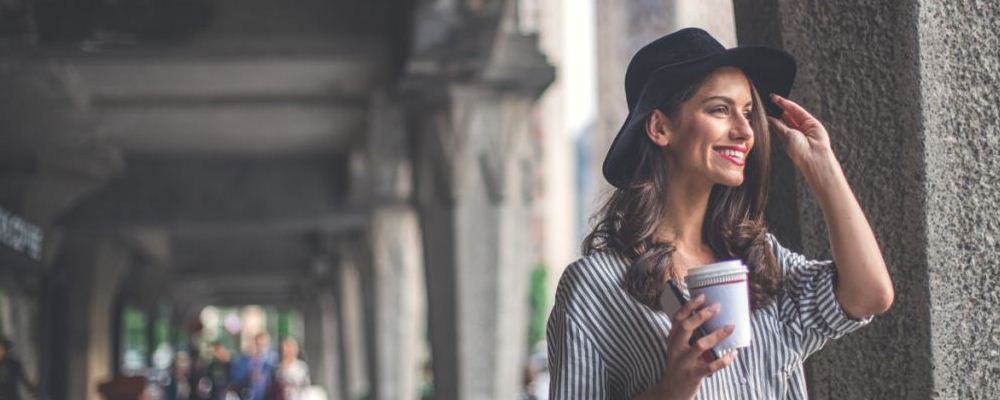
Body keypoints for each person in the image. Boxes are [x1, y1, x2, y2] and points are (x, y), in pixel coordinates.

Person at [546, 28, 894, 399]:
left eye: (747, 112)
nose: (745, 130)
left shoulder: (759, 259)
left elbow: (869, 295)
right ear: (660, 127)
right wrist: (674, 387)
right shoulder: (595, 285)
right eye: (720, 110)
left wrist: (823, 168)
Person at [231, 333, 277, 400]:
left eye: (263, 345)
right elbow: (236, 377)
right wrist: (249, 375)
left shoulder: (273, 360)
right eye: (258, 344)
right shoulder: (246, 360)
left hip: (267, 395)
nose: (260, 348)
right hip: (249, 395)